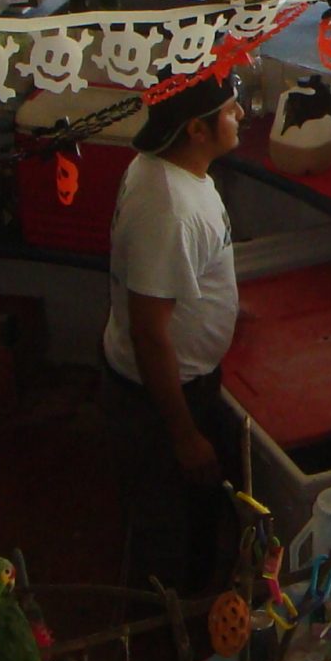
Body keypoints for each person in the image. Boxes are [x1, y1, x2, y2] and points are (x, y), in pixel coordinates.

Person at [103, 75, 245, 591]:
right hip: (161, 398)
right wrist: (184, 434)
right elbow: (148, 334)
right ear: (196, 130)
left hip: (181, 383)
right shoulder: (170, 209)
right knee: (168, 532)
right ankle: (165, 634)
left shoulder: (171, 170)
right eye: (230, 111)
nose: (242, 117)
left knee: (196, 514)